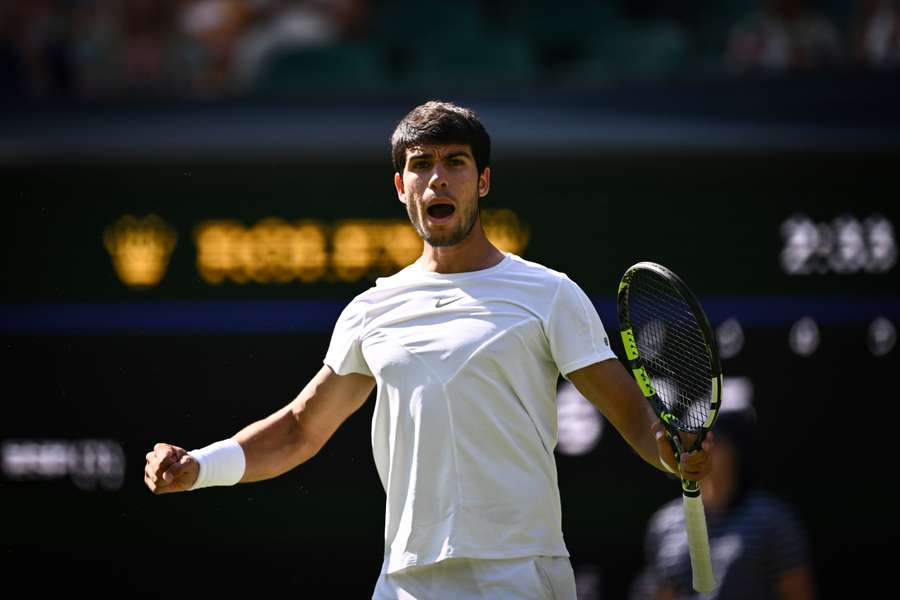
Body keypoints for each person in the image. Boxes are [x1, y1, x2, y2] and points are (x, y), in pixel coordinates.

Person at [143, 100, 713, 599]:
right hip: (406, 578)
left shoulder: (549, 294)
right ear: (402, 187)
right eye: (421, 165)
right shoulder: (372, 310)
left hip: (516, 573)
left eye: (454, 162)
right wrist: (200, 467)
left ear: (482, 181)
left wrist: (672, 453)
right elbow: (299, 429)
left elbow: (636, 418)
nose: (437, 178)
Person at [629, 404, 814, 600]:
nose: (701, 449)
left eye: (713, 441)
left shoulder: (773, 520)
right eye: (694, 441)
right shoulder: (664, 523)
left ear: (736, 450)